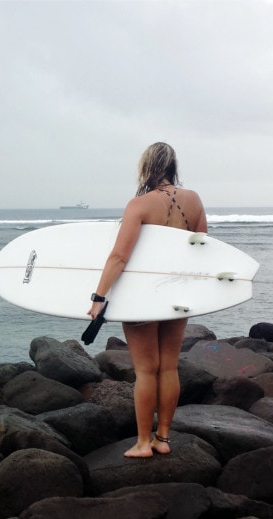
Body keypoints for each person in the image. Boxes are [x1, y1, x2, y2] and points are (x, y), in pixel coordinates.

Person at [86, 142, 208, 458]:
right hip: (176, 295)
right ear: (172, 167)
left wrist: (99, 297)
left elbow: (119, 256)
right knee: (168, 367)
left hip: (142, 296)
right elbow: (203, 248)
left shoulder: (138, 205)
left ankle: (142, 443)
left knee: (145, 370)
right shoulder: (193, 200)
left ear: (146, 167)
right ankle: (163, 439)